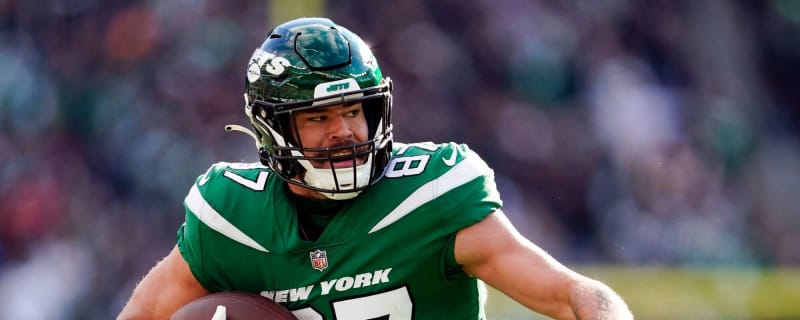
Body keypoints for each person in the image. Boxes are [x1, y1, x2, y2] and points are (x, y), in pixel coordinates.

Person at [117, 17, 633, 320]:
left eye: (352, 111)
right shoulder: (230, 216)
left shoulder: (432, 195)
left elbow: (571, 294)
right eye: (318, 117)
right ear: (273, 129)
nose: (343, 131)